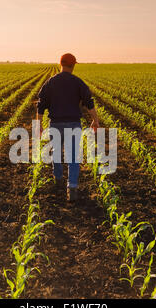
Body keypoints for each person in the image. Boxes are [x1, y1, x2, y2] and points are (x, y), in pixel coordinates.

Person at [36, 53, 100, 202]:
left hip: (56, 124)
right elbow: (89, 103)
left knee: (56, 152)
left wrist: (38, 125)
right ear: (73, 65)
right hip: (73, 124)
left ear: (60, 64)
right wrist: (95, 120)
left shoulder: (51, 82)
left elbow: (40, 105)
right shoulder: (78, 82)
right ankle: (72, 188)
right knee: (73, 156)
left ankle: (58, 180)